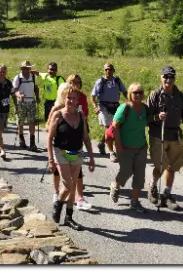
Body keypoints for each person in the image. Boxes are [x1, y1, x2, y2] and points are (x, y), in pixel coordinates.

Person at [145, 66, 183, 211]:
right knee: (160, 165)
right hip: (158, 134)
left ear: (175, 78)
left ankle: (167, 194)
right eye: (166, 77)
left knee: (173, 166)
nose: (168, 80)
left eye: (171, 77)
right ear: (161, 77)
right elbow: (146, 118)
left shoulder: (179, 95)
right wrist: (157, 117)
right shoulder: (155, 94)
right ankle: (153, 187)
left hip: (175, 135)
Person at [47, 84, 95, 230]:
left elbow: (86, 138)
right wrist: (50, 159)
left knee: (73, 184)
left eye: (74, 98)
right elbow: (49, 138)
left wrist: (92, 157)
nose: (71, 101)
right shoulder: (58, 114)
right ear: (64, 98)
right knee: (67, 184)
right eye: (69, 98)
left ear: (78, 99)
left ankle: (69, 217)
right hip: (61, 152)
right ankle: (58, 204)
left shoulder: (80, 115)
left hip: (76, 152)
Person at [108, 83, 150, 213]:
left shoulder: (144, 108)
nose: (138, 95)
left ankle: (135, 201)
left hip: (141, 147)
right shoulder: (124, 108)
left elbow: (148, 121)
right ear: (130, 94)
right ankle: (115, 184)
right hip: (125, 147)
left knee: (140, 174)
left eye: (140, 92)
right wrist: (118, 146)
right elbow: (115, 127)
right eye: (135, 92)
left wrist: (158, 117)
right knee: (126, 172)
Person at [91, 62, 128, 162]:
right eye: (106, 69)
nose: (108, 71)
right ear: (104, 71)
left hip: (115, 107)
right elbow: (92, 96)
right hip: (103, 107)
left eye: (110, 69)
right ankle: (112, 153)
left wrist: (132, 101)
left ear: (113, 70)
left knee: (113, 129)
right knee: (109, 129)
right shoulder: (100, 81)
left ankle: (101, 143)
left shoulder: (117, 81)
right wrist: (95, 106)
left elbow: (125, 92)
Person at [12, 61, 39, 151]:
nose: (27, 69)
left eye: (28, 68)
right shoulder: (18, 77)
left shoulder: (33, 77)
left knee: (32, 122)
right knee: (21, 122)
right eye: (25, 68)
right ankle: (21, 140)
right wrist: (19, 95)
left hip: (31, 102)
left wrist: (37, 97)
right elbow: (15, 91)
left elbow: (36, 88)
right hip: (21, 103)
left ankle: (32, 143)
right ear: (22, 69)